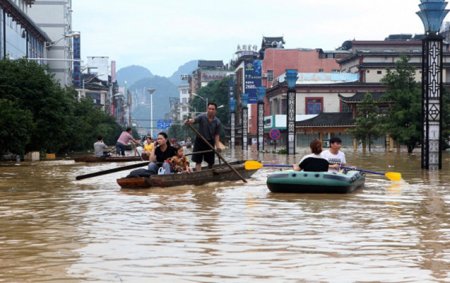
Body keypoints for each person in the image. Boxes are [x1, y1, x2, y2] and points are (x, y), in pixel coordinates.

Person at [185, 102, 222, 171]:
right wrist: (189, 121)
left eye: (213, 109)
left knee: (210, 162)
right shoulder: (202, 117)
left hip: (210, 142)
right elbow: (194, 120)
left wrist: (218, 147)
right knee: (198, 161)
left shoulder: (217, 122)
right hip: (200, 141)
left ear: (215, 111)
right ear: (207, 109)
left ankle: (210, 172)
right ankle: (198, 174)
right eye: (209, 109)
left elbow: (217, 135)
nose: (211, 110)